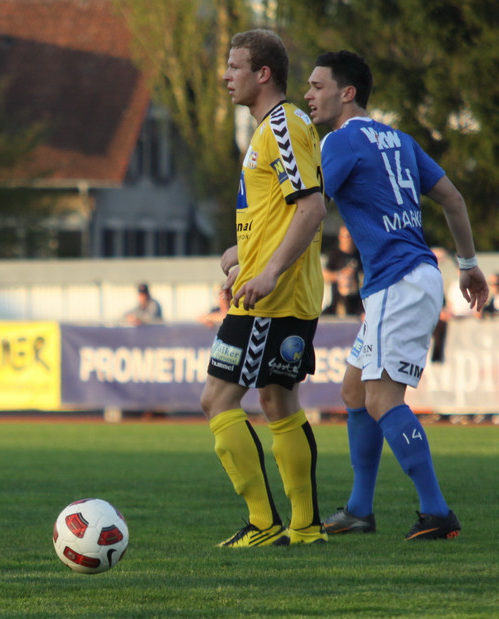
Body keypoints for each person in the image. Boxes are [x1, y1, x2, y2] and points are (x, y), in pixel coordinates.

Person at [305, 50, 489, 540]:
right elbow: (453, 198)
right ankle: (360, 508)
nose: (308, 95)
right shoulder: (400, 140)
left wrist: (255, 258)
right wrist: (469, 265)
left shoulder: (339, 141)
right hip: (412, 277)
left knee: (384, 398)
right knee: (353, 391)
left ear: (347, 93)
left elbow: (310, 210)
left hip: (396, 282)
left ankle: (437, 511)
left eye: (317, 86)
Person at [200, 29, 328, 548]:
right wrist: (241, 255)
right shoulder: (275, 128)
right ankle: (304, 527)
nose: (226, 76)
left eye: (234, 67)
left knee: (216, 400)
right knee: (277, 401)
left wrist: (269, 271)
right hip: (275, 293)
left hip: (270, 300)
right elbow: (280, 210)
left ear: (263, 74)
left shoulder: (281, 126)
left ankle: (263, 523)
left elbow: (312, 207)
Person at [321, 225, 363, 317]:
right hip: (337, 305)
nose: (348, 239)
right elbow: (324, 275)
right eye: (345, 236)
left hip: (357, 307)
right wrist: (341, 275)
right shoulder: (334, 255)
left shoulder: (360, 255)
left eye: (350, 236)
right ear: (340, 237)